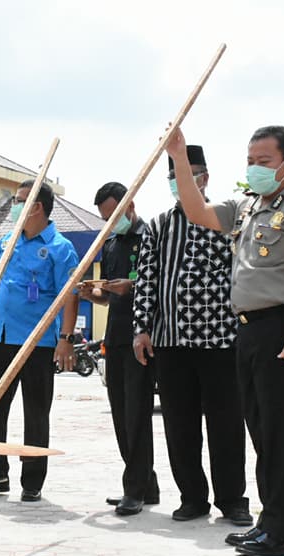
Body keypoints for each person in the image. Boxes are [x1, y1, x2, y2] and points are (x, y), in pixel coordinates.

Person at [166, 126, 284, 556]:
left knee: (281, 434)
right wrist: (180, 159)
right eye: (251, 160)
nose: (255, 168)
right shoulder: (245, 208)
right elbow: (196, 209)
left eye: (264, 161)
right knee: (261, 431)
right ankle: (269, 522)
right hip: (250, 330)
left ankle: (283, 532)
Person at [131, 148, 251, 526]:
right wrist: (141, 328)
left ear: (205, 178)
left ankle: (232, 500)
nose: (180, 181)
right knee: (179, 425)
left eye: (189, 173)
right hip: (170, 341)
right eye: (175, 175)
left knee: (225, 423)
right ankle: (192, 497)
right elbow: (146, 279)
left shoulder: (226, 220)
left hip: (218, 339)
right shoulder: (158, 225)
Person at [0, 180, 80, 502]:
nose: (14, 207)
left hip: (39, 342)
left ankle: (32, 481)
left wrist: (65, 339)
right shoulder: (7, 242)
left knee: (36, 412)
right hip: (3, 337)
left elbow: (70, 296)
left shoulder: (60, 248)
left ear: (36, 207)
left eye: (19, 201)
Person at [79, 181, 159, 516]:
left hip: (142, 338)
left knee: (137, 414)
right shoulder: (110, 244)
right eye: (105, 218)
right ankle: (145, 484)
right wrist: (90, 293)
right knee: (120, 415)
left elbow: (157, 284)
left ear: (130, 205)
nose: (111, 222)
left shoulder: (152, 238)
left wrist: (134, 287)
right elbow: (109, 295)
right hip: (114, 338)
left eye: (114, 215)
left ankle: (135, 489)